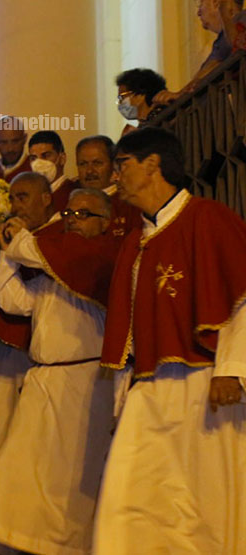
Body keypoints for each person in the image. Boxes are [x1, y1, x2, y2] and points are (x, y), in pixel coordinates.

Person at [93, 127, 246, 553]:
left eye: (122, 164)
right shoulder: (135, 243)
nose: (114, 175)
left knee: (205, 503)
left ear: (153, 164)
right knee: (128, 498)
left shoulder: (208, 218)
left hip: (205, 383)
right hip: (149, 391)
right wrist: (122, 397)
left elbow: (243, 296)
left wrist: (234, 369)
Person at [0, 188, 119, 554]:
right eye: (68, 214)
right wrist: (6, 254)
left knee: (68, 482)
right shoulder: (58, 264)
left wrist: (16, 237)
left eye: (83, 215)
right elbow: (14, 301)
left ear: (106, 222)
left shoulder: (104, 258)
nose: (72, 221)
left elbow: (33, 250)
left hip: (83, 384)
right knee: (17, 469)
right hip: (42, 381)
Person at [0, 172, 57, 486]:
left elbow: (17, 303)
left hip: (52, 350)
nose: (15, 205)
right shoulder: (13, 233)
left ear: (47, 198)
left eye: (23, 197)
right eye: (12, 198)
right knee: (2, 413)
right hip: (16, 349)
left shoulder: (57, 236)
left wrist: (11, 249)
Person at [154, 0, 245, 105]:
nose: (198, 12)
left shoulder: (242, 19)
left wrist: (180, 95)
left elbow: (231, 51)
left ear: (216, 0)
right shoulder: (220, 43)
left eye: (201, 2)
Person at [75, 135, 140, 237]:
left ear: (113, 165)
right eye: (83, 164)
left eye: (97, 163)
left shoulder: (130, 203)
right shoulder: (71, 202)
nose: (89, 171)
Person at [28, 130, 76, 210]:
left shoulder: (74, 194)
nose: (39, 163)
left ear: (62, 159)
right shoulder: (30, 196)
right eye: (34, 158)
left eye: (46, 156)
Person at [115, 68, 168, 132]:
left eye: (122, 97)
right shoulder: (143, 126)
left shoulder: (162, 122)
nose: (120, 102)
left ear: (140, 95)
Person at [0, 116, 31, 182]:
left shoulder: (34, 169)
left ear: (24, 139)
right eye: (3, 142)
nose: (10, 149)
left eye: (15, 141)